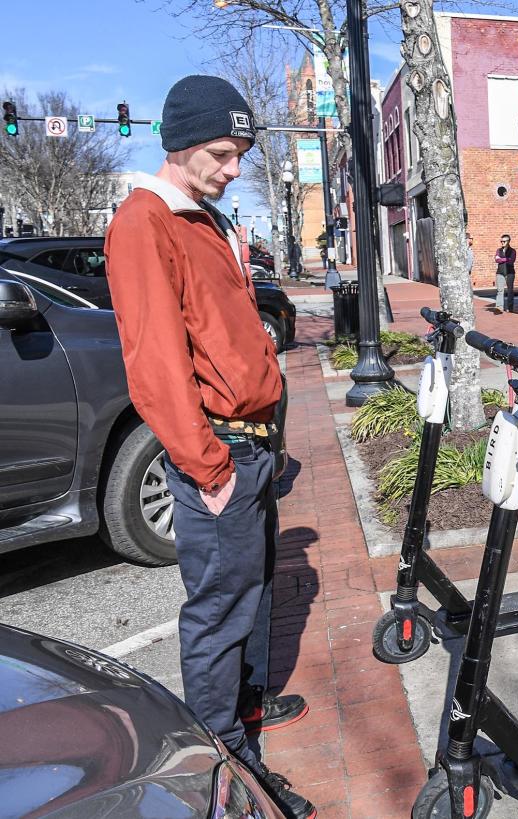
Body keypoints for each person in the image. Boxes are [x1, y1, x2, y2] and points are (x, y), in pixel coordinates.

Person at [104, 75, 317, 819]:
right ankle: (225, 759)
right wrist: (207, 465)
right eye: (224, 154)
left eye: (241, 154)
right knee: (219, 610)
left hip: (252, 445)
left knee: (251, 590)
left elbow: (219, 326)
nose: (234, 169)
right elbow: (156, 365)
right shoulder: (147, 221)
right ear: (183, 143)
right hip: (220, 453)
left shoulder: (207, 219)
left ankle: (246, 708)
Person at [493, 233, 517, 312]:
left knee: (510, 290)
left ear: (508, 241)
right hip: (500, 273)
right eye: (501, 241)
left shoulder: (512, 251)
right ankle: (499, 307)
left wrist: (502, 259)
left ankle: (510, 308)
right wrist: (506, 259)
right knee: (500, 290)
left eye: (504, 241)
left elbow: (511, 261)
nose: (502, 243)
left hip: (510, 273)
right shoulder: (498, 250)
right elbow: (496, 260)